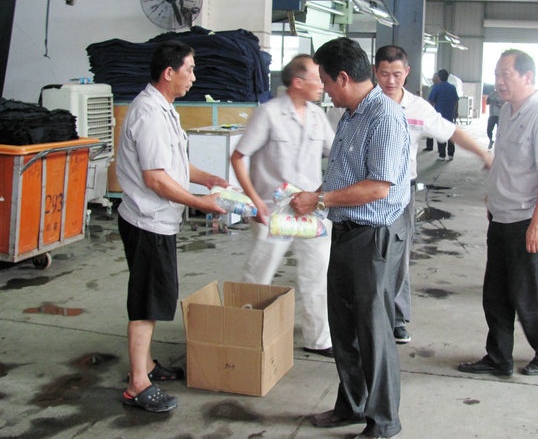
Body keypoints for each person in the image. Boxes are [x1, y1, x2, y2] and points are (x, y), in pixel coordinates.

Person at [290, 37, 409, 439]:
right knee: (345, 328)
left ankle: (384, 421)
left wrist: (320, 199)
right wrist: (313, 199)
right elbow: (344, 173)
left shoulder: (384, 118)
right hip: (344, 231)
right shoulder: (351, 115)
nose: (323, 89)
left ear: (343, 78)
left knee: (373, 333)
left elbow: (378, 187)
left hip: (372, 238)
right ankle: (352, 405)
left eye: (325, 81)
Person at [116, 40, 229, 412]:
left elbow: (174, 163)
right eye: (189, 70)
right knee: (146, 302)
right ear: (169, 73)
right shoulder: (149, 114)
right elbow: (156, 179)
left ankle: (146, 365)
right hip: (148, 221)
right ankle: (137, 383)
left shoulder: (164, 109)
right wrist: (201, 203)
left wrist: (207, 178)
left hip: (158, 221)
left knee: (153, 296)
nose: (193, 77)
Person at [373, 45, 492, 345]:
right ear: (375, 72)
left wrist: (482, 153)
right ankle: (368, 315)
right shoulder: (365, 102)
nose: (390, 81)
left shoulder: (418, 108)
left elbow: (451, 132)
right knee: (367, 255)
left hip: (401, 191)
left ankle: (397, 318)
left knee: (398, 255)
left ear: (407, 72)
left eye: (397, 74)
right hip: (365, 191)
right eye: (384, 74)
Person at [458, 48, 538, 377]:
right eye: (497, 75)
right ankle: (499, 357)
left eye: (506, 74)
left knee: (525, 295)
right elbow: (506, 162)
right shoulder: (506, 111)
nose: (499, 81)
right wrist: (493, 197)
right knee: (495, 295)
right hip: (502, 216)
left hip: (526, 220)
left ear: (527, 77)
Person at [230, 54, 335, 358]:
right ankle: (243, 334)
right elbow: (238, 157)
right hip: (274, 212)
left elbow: (336, 152)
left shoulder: (317, 116)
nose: (322, 84)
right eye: (317, 78)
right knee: (260, 275)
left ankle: (319, 339)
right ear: (298, 82)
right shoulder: (269, 114)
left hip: (311, 210)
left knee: (317, 274)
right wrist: (254, 201)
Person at [428, 69, 459, 160]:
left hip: (440, 116)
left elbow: (431, 102)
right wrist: (456, 112)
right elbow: (456, 101)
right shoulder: (452, 87)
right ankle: (451, 154)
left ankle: (442, 155)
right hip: (450, 115)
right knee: (450, 134)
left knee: (440, 134)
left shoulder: (436, 88)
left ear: (439, 77)